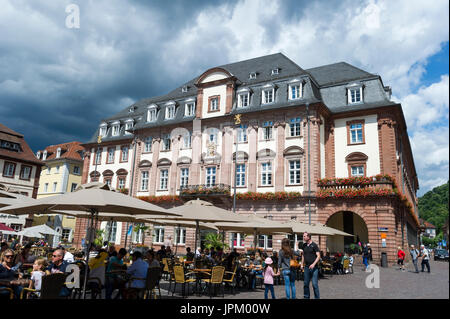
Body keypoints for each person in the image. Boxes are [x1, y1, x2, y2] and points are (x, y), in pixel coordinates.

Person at [301, 232, 320, 299]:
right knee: (306, 284)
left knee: (314, 284)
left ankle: (317, 297)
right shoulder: (304, 245)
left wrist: (313, 264)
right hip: (306, 267)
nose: (303, 237)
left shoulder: (314, 245)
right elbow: (303, 255)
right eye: (303, 236)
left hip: (314, 268)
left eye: (304, 236)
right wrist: (301, 264)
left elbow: (318, 256)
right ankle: (306, 297)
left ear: (308, 237)